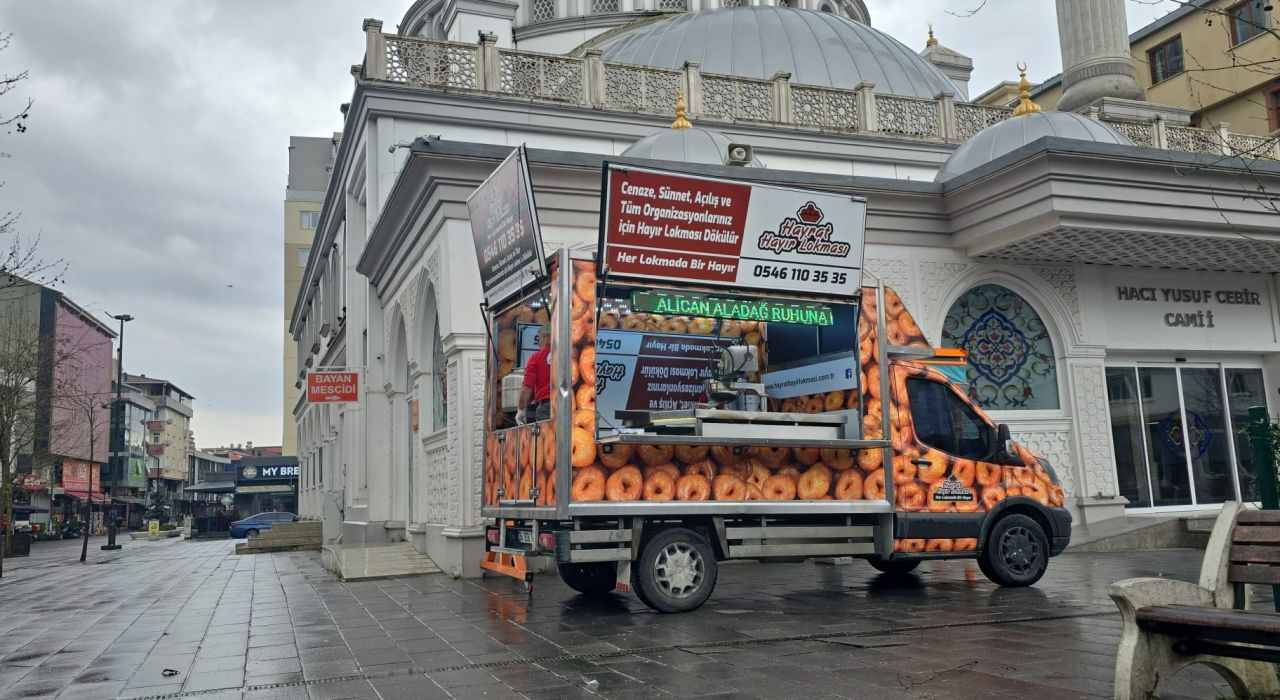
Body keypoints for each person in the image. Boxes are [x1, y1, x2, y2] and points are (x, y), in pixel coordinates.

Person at [518, 326, 551, 423]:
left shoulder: (535, 359)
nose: (538, 342)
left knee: (547, 437)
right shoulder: (567, 356)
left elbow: (528, 387)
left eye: (539, 338)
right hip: (569, 406)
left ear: (548, 337)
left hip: (546, 407)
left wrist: (521, 409)